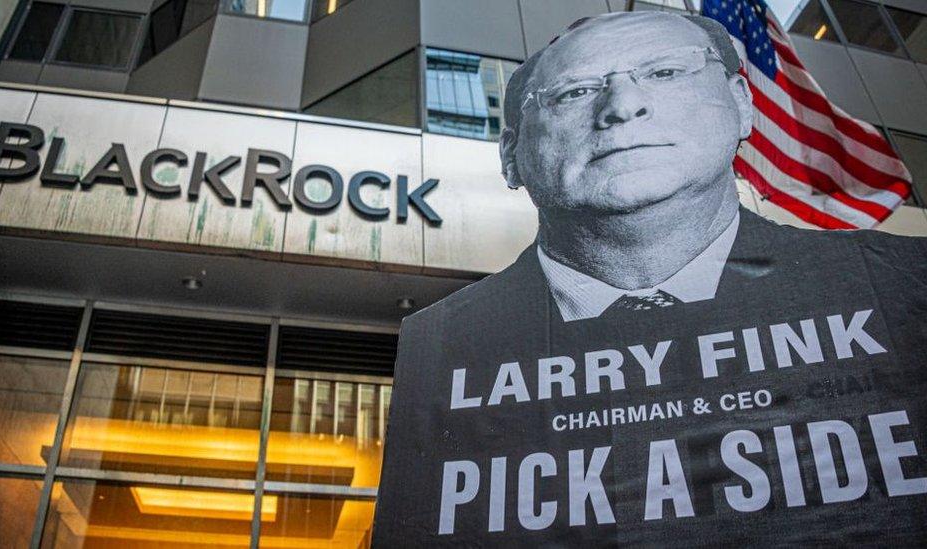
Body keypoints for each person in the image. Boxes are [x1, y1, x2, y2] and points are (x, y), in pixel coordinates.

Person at [374, 11, 927, 547]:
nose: (623, 106)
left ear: (740, 105)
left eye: (665, 72)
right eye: (574, 92)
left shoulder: (903, 286)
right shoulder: (445, 346)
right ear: (512, 154)